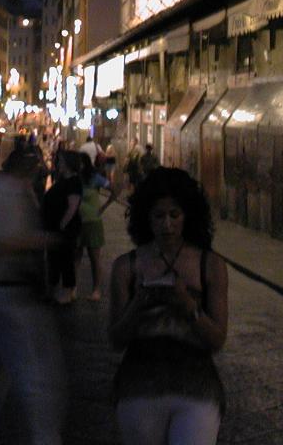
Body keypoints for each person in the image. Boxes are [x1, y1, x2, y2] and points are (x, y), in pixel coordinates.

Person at [108, 168, 228, 445]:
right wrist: (138, 305)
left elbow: (218, 338)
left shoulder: (210, 265)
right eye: (158, 216)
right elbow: (115, 338)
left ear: (188, 216)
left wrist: (188, 306)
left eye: (175, 215)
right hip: (139, 387)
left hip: (196, 388)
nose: (167, 225)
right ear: (145, 218)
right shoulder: (126, 267)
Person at [0, 146, 66, 445]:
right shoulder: (8, 192)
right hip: (11, 293)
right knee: (35, 378)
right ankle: (43, 438)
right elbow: (0, 241)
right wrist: (44, 241)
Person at [76, 152, 119, 301]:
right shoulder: (74, 179)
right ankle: (72, 287)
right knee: (76, 256)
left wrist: (104, 207)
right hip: (76, 222)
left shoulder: (94, 179)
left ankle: (96, 289)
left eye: (80, 163)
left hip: (92, 222)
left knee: (95, 258)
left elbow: (114, 190)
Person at [42, 151, 83, 304]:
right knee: (54, 259)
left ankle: (67, 291)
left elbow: (72, 206)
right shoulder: (62, 180)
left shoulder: (74, 182)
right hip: (55, 225)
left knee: (65, 259)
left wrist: (62, 224)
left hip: (64, 228)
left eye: (61, 162)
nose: (58, 164)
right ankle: (52, 289)